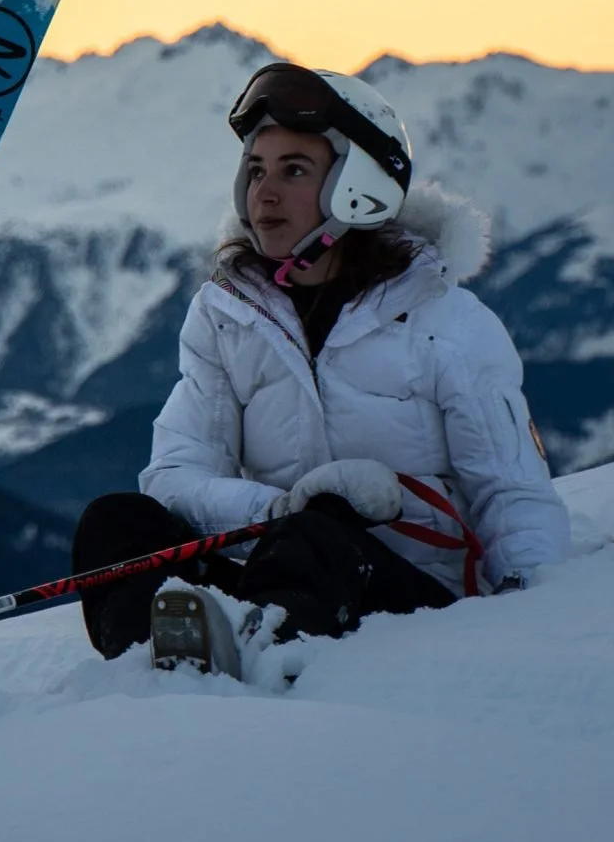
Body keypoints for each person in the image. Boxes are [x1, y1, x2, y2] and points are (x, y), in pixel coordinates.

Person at [72, 62, 572, 667]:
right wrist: (275, 511)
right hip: (273, 579)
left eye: (295, 171)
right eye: (256, 170)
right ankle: (156, 667)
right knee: (117, 523)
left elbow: (511, 490)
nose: (265, 192)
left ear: (357, 190)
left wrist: (532, 599)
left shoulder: (447, 321)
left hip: (410, 602)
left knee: (316, 535)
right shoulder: (225, 316)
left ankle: (240, 657)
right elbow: (176, 473)